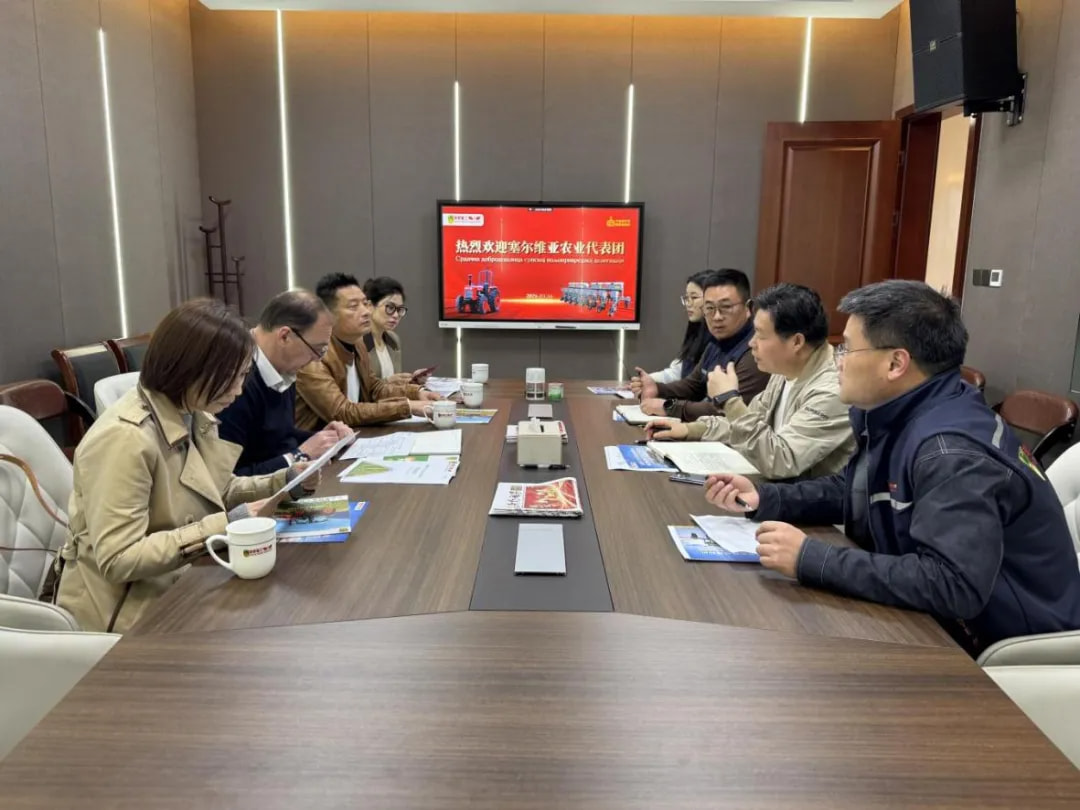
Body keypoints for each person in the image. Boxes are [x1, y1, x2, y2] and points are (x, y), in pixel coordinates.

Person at [703, 280, 1080, 655]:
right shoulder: (904, 412)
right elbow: (853, 489)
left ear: (896, 363)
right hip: (936, 622)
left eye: (847, 348)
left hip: (1003, 647)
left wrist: (812, 558)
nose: (837, 361)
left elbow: (952, 584)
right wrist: (766, 497)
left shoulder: (951, 451)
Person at [54, 299, 319, 633]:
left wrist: (284, 481)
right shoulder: (125, 438)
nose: (238, 391)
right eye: (231, 378)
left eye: (243, 376)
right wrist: (223, 525)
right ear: (192, 369)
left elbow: (215, 490)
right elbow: (119, 558)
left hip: (182, 583)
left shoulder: (193, 412)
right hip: (128, 616)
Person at [646, 283, 854, 480]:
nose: (752, 343)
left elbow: (781, 461)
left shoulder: (833, 389)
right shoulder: (785, 370)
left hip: (809, 503)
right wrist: (690, 430)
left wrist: (729, 399)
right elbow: (747, 423)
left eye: (761, 336)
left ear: (796, 342)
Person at [218, 290, 352, 475]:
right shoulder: (233, 380)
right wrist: (299, 455)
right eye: (317, 350)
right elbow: (229, 479)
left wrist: (325, 438)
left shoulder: (283, 366)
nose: (316, 360)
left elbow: (278, 438)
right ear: (285, 336)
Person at [296, 273, 442, 429]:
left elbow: (375, 389)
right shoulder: (312, 357)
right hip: (318, 441)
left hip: (354, 435)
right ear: (328, 315)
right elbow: (342, 412)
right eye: (353, 306)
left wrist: (417, 393)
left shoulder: (358, 344)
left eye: (365, 304)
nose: (366, 311)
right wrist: (408, 407)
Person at [630, 269, 768, 420]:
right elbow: (693, 385)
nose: (717, 317)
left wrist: (670, 407)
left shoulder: (755, 351)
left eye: (726, 307)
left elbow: (727, 411)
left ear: (748, 308)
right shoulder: (716, 342)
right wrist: (657, 388)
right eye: (709, 308)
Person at [362, 276, 433, 386]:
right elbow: (357, 390)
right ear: (370, 306)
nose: (396, 315)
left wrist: (411, 381)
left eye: (399, 309)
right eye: (390, 308)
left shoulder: (393, 339)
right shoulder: (357, 343)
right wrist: (387, 382)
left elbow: (395, 385)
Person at [646, 270, 711, 384]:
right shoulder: (695, 333)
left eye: (694, 297)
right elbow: (677, 372)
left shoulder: (717, 340)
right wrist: (646, 379)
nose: (688, 304)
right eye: (687, 298)